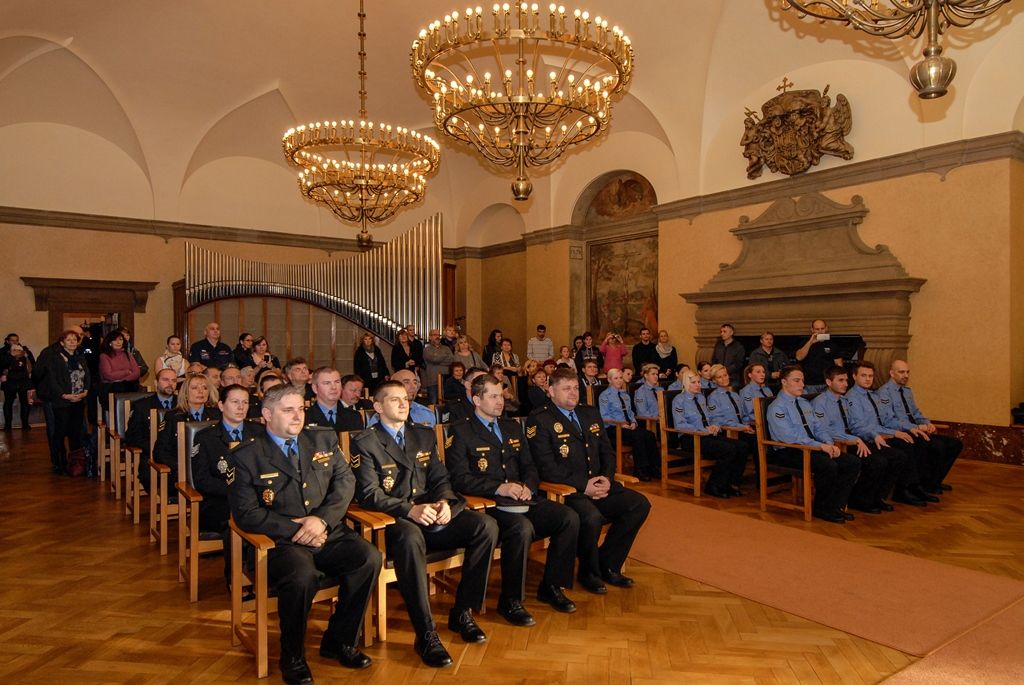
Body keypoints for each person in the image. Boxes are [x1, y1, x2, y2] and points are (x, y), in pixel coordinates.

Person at [227, 384, 381, 682]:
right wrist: (299, 528)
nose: (298, 416)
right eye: (288, 410)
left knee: (369, 558)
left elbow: (345, 483)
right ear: (267, 414)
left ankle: (339, 640)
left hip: (326, 531)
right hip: (279, 541)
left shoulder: (322, 437)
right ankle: (293, 655)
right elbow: (246, 514)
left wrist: (321, 520)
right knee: (302, 576)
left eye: (301, 409)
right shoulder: (247, 454)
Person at [349, 380, 499, 668]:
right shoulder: (365, 442)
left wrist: (444, 502)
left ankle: (462, 612)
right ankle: (426, 633)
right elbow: (369, 494)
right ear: (378, 407)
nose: (403, 404)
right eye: (394, 400)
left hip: (430, 514)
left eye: (405, 399)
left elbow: (440, 478)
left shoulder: (423, 434)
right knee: (410, 537)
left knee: (485, 526)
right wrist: (410, 510)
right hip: (395, 520)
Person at [447, 373, 580, 624]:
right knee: (521, 528)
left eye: (501, 395)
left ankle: (552, 586)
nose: (500, 401)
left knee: (567, 517)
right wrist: (499, 488)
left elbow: (530, 465)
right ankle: (511, 601)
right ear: (477, 399)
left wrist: (528, 485)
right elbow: (459, 479)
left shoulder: (511, 426)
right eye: (493, 396)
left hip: (522, 498)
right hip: (489, 504)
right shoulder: (462, 430)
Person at [526, 368, 651, 595]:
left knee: (639, 504)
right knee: (591, 518)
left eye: (575, 388)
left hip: (599, 485)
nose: (573, 393)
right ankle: (589, 572)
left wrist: (607, 478)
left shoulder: (589, 413)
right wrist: (584, 486)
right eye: (566, 388)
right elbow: (546, 467)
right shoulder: (540, 419)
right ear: (551, 391)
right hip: (568, 490)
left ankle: (608, 564)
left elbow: (607, 452)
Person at [766, 366, 861, 524]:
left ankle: (835, 505)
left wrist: (828, 442)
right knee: (828, 465)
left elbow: (818, 427)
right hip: (788, 450)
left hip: (811, 447)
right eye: (796, 380)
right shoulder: (777, 407)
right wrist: (819, 446)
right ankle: (821, 508)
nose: (802, 384)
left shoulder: (804, 403)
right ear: (784, 382)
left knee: (852, 462)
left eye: (802, 381)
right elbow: (788, 437)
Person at [192, 384, 266, 585]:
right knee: (234, 523)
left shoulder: (260, 432)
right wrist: (237, 491)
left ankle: (264, 578)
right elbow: (202, 480)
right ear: (221, 405)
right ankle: (236, 580)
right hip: (221, 501)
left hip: (257, 500)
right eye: (235, 402)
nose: (241, 407)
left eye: (245, 402)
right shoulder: (206, 437)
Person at [812, 365, 905, 514]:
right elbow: (825, 431)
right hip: (838, 443)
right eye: (840, 380)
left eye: (846, 380)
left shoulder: (844, 401)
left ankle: (876, 497)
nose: (845, 384)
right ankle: (859, 499)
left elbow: (855, 425)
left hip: (852, 440)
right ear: (829, 382)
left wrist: (869, 436)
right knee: (876, 462)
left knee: (895, 457)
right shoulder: (820, 403)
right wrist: (854, 439)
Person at [845, 361, 932, 507]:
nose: (868, 379)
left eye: (870, 376)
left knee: (900, 455)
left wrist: (898, 432)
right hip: (863, 440)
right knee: (884, 460)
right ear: (854, 376)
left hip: (880, 436)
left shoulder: (873, 396)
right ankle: (861, 498)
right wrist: (880, 435)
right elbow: (857, 426)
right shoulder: (851, 398)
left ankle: (879, 496)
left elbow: (885, 420)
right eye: (863, 375)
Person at [877, 359, 961, 494]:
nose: (906, 375)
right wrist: (914, 427)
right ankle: (918, 485)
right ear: (891, 373)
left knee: (955, 444)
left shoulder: (907, 391)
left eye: (907, 372)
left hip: (916, 430)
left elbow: (915, 413)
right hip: (901, 432)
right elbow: (888, 420)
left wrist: (927, 423)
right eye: (901, 372)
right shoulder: (884, 393)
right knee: (936, 446)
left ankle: (934, 481)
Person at [671, 370, 748, 499]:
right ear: (685, 384)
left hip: (707, 435)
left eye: (699, 382)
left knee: (742, 446)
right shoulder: (679, 400)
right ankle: (714, 485)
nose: (698, 385)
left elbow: (711, 417)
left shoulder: (701, 398)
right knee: (728, 449)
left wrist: (715, 425)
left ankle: (732, 483)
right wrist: (702, 430)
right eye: (694, 382)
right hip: (690, 437)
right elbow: (680, 425)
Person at [34, 329, 89, 474]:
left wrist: (86, 391)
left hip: (79, 400)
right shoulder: (54, 357)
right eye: (68, 340)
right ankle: (60, 463)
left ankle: (76, 463)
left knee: (75, 433)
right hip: (62, 401)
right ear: (62, 342)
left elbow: (87, 376)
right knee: (60, 432)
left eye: (74, 340)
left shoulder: (80, 357)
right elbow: (52, 380)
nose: (72, 342)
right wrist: (64, 395)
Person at [152, 373, 221, 485]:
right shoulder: (173, 417)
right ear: (185, 393)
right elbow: (160, 452)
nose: (201, 391)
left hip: (211, 470)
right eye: (194, 388)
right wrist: (181, 466)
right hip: (183, 471)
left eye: (205, 388)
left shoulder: (217, 415)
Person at [598, 368, 660, 481]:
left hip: (628, 426)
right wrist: (621, 424)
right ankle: (640, 469)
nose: (619, 380)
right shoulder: (604, 395)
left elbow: (630, 412)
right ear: (609, 380)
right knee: (638, 436)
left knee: (649, 435)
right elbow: (604, 416)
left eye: (620, 378)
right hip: (613, 428)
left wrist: (634, 422)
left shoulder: (625, 394)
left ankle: (653, 467)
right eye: (615, 378)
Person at [124, 368, 179, 490]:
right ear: (156, 383)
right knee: (149, 476)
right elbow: (132, 436)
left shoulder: (183, 404)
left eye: (174, 380)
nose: (170, 383)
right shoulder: (141, 406)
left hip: (178, 454)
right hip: (150, 453)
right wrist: (155, 447)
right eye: (165, 380)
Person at [367, 368, 435, 427]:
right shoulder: (382, 417)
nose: (413, 386)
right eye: (406, 382)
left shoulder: (426, 413)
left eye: (415, 382)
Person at [305, 367, 364, 433]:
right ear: (315, 388)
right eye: (327, 383)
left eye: (337, 382)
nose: (334, 387)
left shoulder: (354, 416)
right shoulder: (305, 418)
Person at [794, 319, 843, 395]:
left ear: (826, 328)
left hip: (827, 383)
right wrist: (810, 342)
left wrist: (836, 381)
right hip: (809, 384)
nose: (820, 331)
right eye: (817, 329)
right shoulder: (805, 342)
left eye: (822, 328)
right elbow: (799, 357)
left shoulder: (832, 345)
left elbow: (839, 365)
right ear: (812, 330)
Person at [98, 331, 141, 408]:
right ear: (110, 342)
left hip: (129, 386)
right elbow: (108, 375)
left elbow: (136, 372)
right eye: (115, 340)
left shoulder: (128, 354)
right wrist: (126, 372)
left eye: (120, 339)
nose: (118, 342)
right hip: (112, 388)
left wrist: (123, 380)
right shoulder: (104, 356)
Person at [1, 335, 35, 430]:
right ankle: (8, 425)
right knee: (8, 403)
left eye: (16, 340)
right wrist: (10, 356)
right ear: (7, 341)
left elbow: (33, 363)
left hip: (24, 380)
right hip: (10, 380)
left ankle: (25, 424)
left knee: (25, 403)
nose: (15, 342)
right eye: (12, 340)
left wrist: (31, 372)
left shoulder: (24, 350)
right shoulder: (3, 351)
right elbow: (1, 363)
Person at [423, 328, 454, 404]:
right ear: (430, 337)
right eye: (434, 335)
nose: (437, 337)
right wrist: (444, 356)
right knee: (433, 404)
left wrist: (437, 361)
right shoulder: (427, 349)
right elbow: (434, 359)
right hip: (432, 381)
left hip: (446, 380)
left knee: (446, 403)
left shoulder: (446, 348)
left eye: (438, 335)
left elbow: (451, 360)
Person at [711, 323, 745, 388]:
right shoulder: (718, 345)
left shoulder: (739, 347)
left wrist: (724, 371)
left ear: (731, 333)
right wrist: (716, 371)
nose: (722, 334)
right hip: (718, 377)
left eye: (724, 331)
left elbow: (738, 364)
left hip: (732, 378)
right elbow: (714, 360)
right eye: (721, 332)